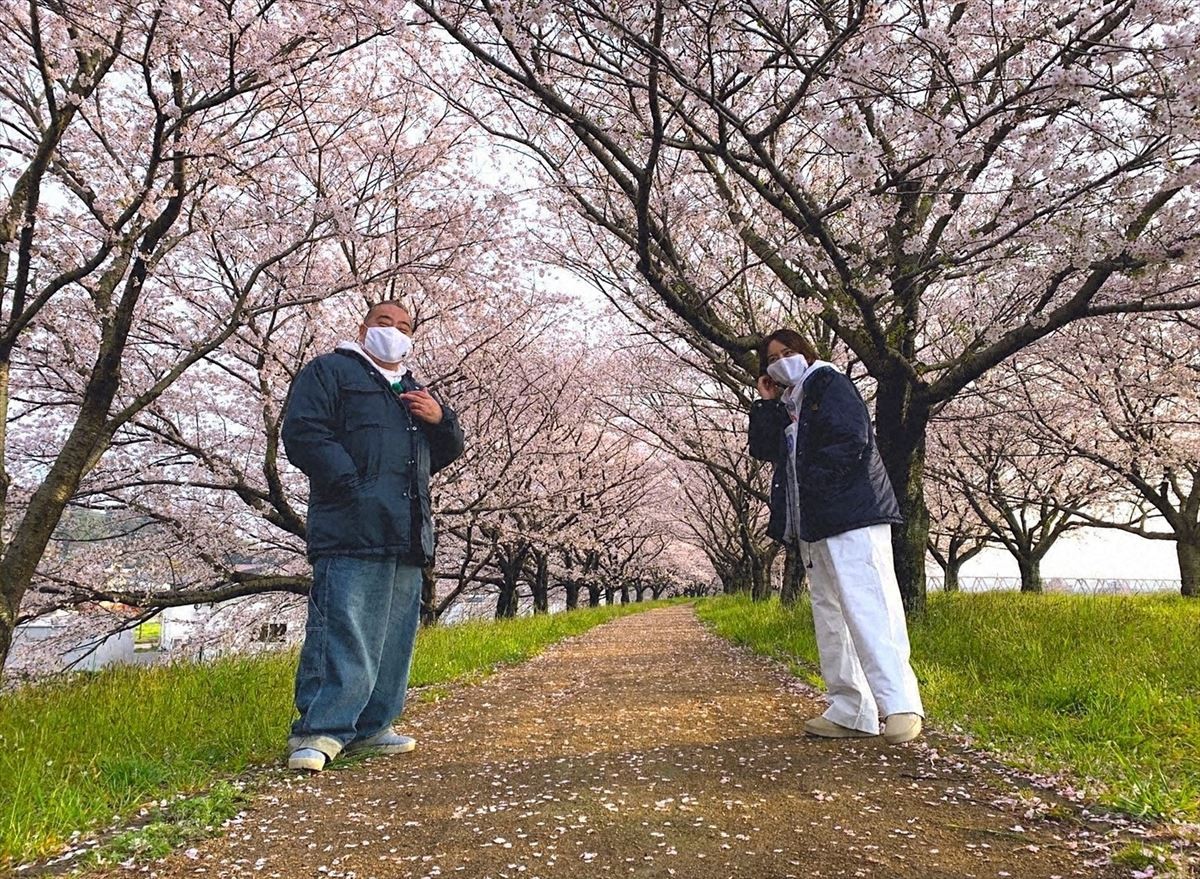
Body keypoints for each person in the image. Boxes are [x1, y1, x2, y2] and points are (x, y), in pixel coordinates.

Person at [280, 301, 465, 771]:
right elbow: (303, 433)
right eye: (385, 323)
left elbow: (442, 453)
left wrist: (440, 419)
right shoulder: (330, 372)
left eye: (405, 327)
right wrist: (350, 484)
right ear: (363, 329)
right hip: (350, 525)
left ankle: (373, 727)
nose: (395, 332)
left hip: (404, 529)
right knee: (342, 626)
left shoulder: (414, 389)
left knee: (391, 635)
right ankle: (320, 730)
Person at [748, 328, 923, 744]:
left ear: (807, 353)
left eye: (789, 352)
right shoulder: (791, 402)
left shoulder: (829, 383)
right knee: (831, 615)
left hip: (850, 513)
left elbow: (851, 440)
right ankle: (851, 708)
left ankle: (899, 703)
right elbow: (762, 448)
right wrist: (768, 402)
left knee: (869, 603)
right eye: (772, 358)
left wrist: (814, 485)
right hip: (814, 523)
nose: (782, 360)